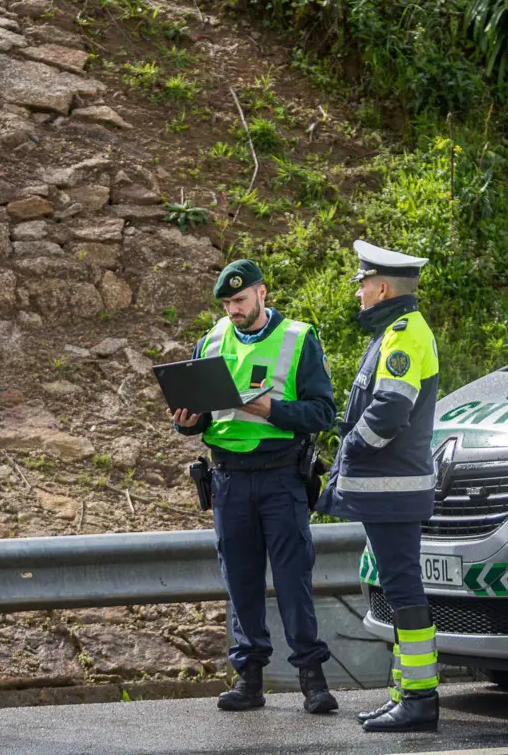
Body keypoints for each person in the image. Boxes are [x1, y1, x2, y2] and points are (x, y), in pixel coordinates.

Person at [170, 259, 339, 714]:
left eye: (240, 300)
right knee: (240, 581)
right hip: (227, 479)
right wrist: (187, 422)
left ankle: (312, 680)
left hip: (281, 476)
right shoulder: (210, 340)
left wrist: (273, 410)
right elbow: (203, 415)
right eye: (227, 303)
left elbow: (324, 413)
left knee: (292, 581)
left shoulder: (298, 338)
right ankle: (249, 680)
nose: (233, 310)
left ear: (263, 294)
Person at [314, 240, 441, 733]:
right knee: (397, 587)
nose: (358, 293)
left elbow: (388, 411)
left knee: (404, 589)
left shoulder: (405, 333)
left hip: (394, 490)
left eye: (362, 284)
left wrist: (351, 451)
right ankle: (406, 694)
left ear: (382, 287)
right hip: (388, 490)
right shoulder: (394, 331)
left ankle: (420, 699)